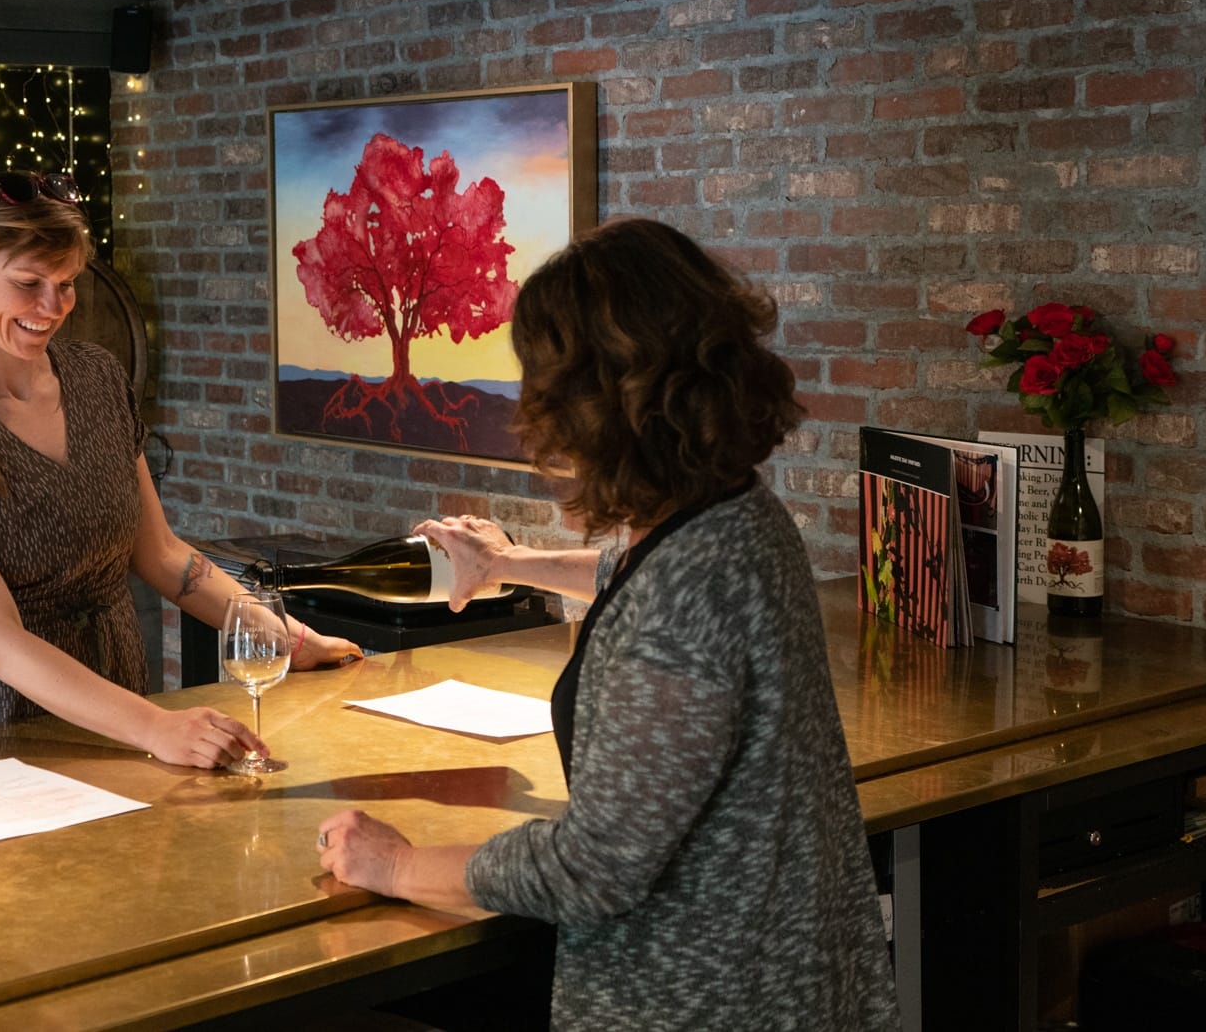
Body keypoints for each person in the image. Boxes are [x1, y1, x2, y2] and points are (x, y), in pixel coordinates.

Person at [316, 217, 899, 1031]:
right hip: (789, 977)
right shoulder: (739, 515)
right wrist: (511, 561)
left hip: (702, 998)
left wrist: (400, 862)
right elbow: (640, 576)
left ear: (594, 403)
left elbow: (596, 868)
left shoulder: (682, 597)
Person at [0, 170, 361, 768]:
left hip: (113, 698)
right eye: (29, 283)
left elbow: (160, 553)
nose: (52, 308)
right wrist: (156, 728)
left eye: (67, 284)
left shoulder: (97, 379)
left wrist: (283, 639)